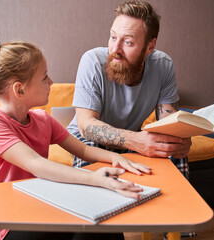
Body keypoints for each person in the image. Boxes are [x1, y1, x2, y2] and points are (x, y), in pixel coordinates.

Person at [0, 32, 151, 240]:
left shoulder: (42, 119)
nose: (51, 81)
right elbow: (35, 163)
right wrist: (94, 179)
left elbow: (83, 149)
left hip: (45, 206)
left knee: (101, 228)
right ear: (19, 89)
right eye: (44, 77)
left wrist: (118, 158)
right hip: (12, 221)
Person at [67, 1, 192, 179]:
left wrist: (179, 140)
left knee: (173, 149)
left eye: (127, 42)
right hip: (88, 139)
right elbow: (86, 126)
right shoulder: (92, 61)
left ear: (150, 46)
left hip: (130, 140)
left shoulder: (163, 65)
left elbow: (168, 121)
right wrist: (136, 140)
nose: (115, 49)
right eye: (113, 37)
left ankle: (178, 205)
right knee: (95, 172)